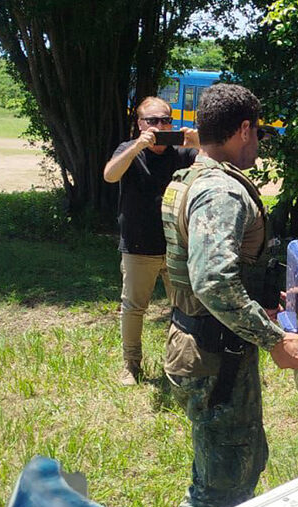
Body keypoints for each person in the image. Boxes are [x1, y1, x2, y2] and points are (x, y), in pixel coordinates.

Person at [159, 83, 298, 507]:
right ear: (244, 129)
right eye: (257, 131)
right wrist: (274, 340)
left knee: (231, 465)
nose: (257, 142)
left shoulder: (192, 178)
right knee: (221, 486)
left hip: (205, 344)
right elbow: (212, 280)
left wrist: (266, 301)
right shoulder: (221, 192)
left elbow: (214, 271)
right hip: (215, 356)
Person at [103, 96, 200, 386]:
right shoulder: (130, 150)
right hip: (138, 244)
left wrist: (198, 143)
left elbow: (221, 165)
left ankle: (180, 363)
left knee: (185, 308)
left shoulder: (182, 151)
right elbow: (110, 175)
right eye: (152, 121)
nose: (160, 126)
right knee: (133, 308)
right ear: (140, 123)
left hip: (176, 245)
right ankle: (131, 365)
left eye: (165, 121)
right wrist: (137, 146)